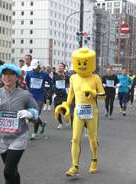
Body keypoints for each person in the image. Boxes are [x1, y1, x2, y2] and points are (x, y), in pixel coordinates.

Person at [0, 63, 39, 184]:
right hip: (1, 138)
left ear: (17, 77)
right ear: (1, 76)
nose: (7, 77)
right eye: (5, 74)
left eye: (11, 75)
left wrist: (30, 114)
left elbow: (36, 112)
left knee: (7, 171)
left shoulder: (24, 94)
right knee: (13, 170)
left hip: (18, 137)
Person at [55, 48, 105, 176]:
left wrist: (93, 93)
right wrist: (65, 104)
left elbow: (103, 95)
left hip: (92, 112)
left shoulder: (95, 77)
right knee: (75, 139)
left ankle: (94, 160)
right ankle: (74, 166)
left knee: (93, 139)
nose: (82, 66)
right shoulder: (73, 78)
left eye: (85, 63)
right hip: (78, 111)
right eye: (80, 63)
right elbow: (71, 93)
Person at [25, 59, 50, 140]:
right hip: (31, 96)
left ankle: (34, 133)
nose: (34, 69)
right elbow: (27, 83)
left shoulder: (44, 74)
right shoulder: (29, 73)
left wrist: (48, 90)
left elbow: (50, 81)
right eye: (33, 67)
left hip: (40, 97)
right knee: (30, 116)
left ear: (39, 66)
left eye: (35, 67)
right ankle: (42, 124)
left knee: (35, 115)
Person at [53, 63, 69, 129]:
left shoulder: (66, 76)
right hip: (57, 95)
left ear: (64, 68)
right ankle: (60, 123)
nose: (59, 67)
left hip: (64, 95)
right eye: (59, 66)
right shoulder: (55, 76)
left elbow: (68, 85)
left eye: (61, 66)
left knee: (64, 109)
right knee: (57, 109)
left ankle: (67, 120)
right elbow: (53, 84)